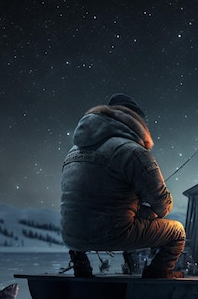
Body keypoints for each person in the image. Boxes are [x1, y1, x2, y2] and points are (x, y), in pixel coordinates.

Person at [60, 93, 185, 278]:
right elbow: (162, 205)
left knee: (83, 216)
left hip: (71, 236)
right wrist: (148, 212)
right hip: (113, 233)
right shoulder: (133, 151)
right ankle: (159, 274)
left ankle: (81, 267)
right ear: (135, 121)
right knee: (177, 231)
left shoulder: (72, 152)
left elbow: (83, 200)